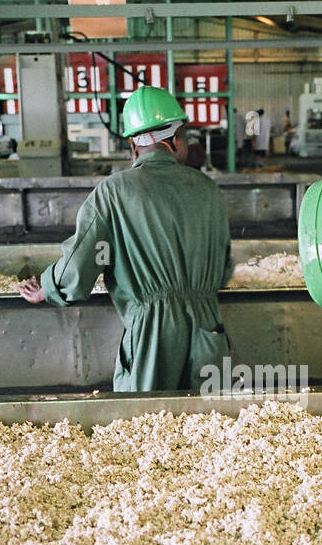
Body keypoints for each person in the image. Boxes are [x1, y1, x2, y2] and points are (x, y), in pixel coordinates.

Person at [19, 86, 233, 392]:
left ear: (134, 146)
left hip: (153, 334)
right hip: (207, 327)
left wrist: (49, 286)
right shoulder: (209, 190)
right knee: (208, 427)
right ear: (173, 141)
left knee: (146, 428)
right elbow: (224, 270)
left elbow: (80, 262)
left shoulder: (114, 192)